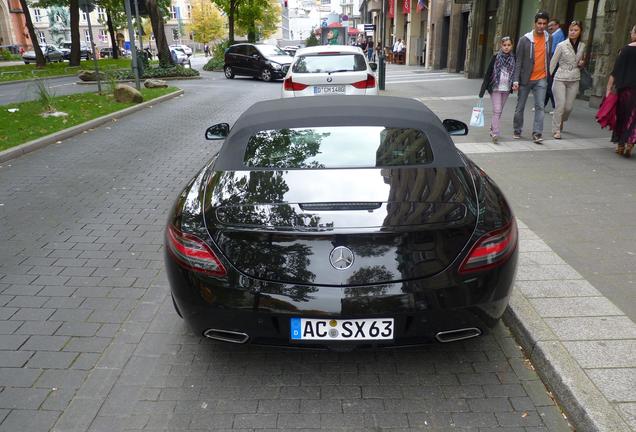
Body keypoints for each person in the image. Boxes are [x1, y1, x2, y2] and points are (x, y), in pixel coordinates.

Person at [512, 10, 552, 144]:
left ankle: (537, 133)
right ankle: (517, 129)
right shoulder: (525, 40)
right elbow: (518, 61)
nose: (541, 26)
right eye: (539, 23)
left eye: (544, 23)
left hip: (541, 78)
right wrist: (516, 79)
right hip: (525, 79)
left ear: (546, 24)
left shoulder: (549, 38)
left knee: (540, 106)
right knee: (520, 106)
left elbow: (548, 57)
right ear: (535, 23)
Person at [549, 21, 586, 139]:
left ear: (580, 32)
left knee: (568, 107)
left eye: (575, 30)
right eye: (571, 30)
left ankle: (561, 120)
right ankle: (556, 129)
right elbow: (553, 61)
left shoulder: (582, 46)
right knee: (560, 105)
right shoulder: (561, 45)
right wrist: (549, 76)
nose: (573, 32)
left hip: (574, 77)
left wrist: (581, 64)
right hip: (560, 77)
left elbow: (582, 62)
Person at [606, 24, 636, 157]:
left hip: (625, 90)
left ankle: (620, 144)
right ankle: (631, 141)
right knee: (633, 117)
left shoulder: (624, 50)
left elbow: (616, 71)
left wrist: (608, 88)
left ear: (634, 34)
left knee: (623, 116)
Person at [479, 36, 516, 144]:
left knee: (499, 111)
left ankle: (492, 128)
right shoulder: (495, 57)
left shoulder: (514, 58)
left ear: (512, 46)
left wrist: (515, 83)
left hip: (506, 88)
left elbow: (515, 73)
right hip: (495, 87)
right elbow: (488, 73)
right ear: (501, 45)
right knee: (497, 110)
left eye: (509, 45)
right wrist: (482, 90)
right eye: (504, 45)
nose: (506, 47)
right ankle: (495, 132)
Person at [544, 19, 565, 113]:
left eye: (552, 25)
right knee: (549, 84)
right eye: (548, 26)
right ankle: (542, 105)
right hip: (552, 62)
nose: (550, 28)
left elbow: (552, 51)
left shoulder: (558, 35)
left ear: (557, 25)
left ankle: (555, 106)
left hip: (554, 63)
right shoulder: (555, 34)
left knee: (550, 85)